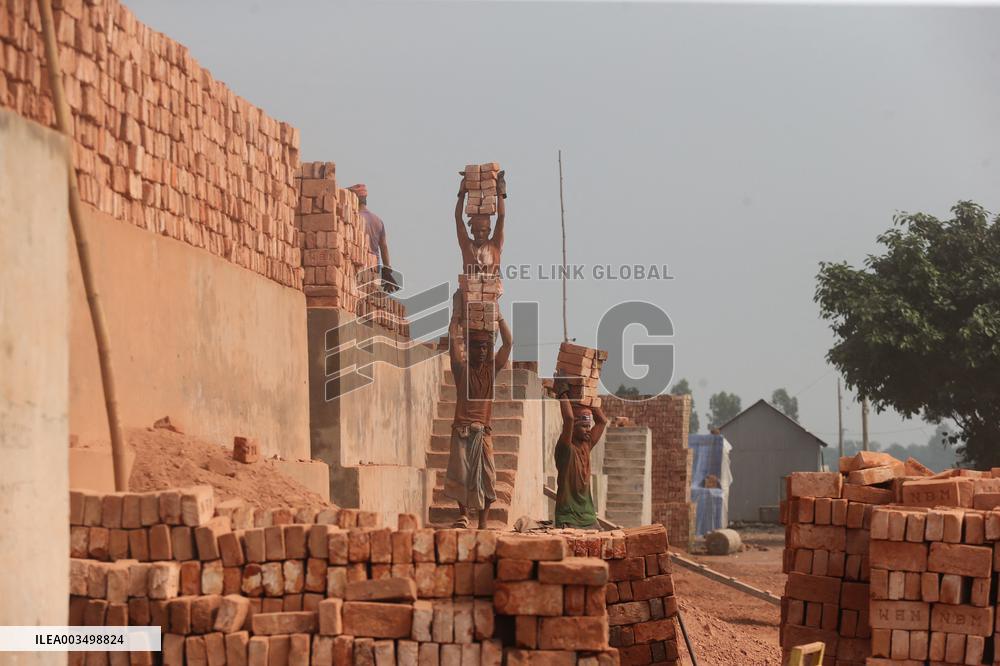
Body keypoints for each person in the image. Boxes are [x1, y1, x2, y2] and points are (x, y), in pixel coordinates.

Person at [444, 315, 513, 529]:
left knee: (488, 478)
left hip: (483, 432)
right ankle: (463, 516)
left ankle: (483, 523)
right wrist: (456, 318)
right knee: (461, 477)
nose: (482, 351)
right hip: (462, 431)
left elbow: (509, 343)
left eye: (486, 347)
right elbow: (453, 341)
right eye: (478, 347)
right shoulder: (461, 369)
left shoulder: (491, 371)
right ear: (470, 349)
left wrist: (499, 318)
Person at [553, 391, 608, 529]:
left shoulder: (586, 446)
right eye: (584, 426)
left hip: (588, 516)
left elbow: (602, 421)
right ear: (573, 428)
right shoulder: (565, 449)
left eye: (589, 426)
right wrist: (563, 394)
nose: (588, 430)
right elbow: (569, 419)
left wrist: (589, 398)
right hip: (568, 516)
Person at [348, 183, 399, 293]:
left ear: (353, 198)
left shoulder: (354, 218)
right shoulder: (378, 220)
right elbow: (384, 246)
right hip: (374, 269)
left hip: (358, 266)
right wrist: (387, 270)